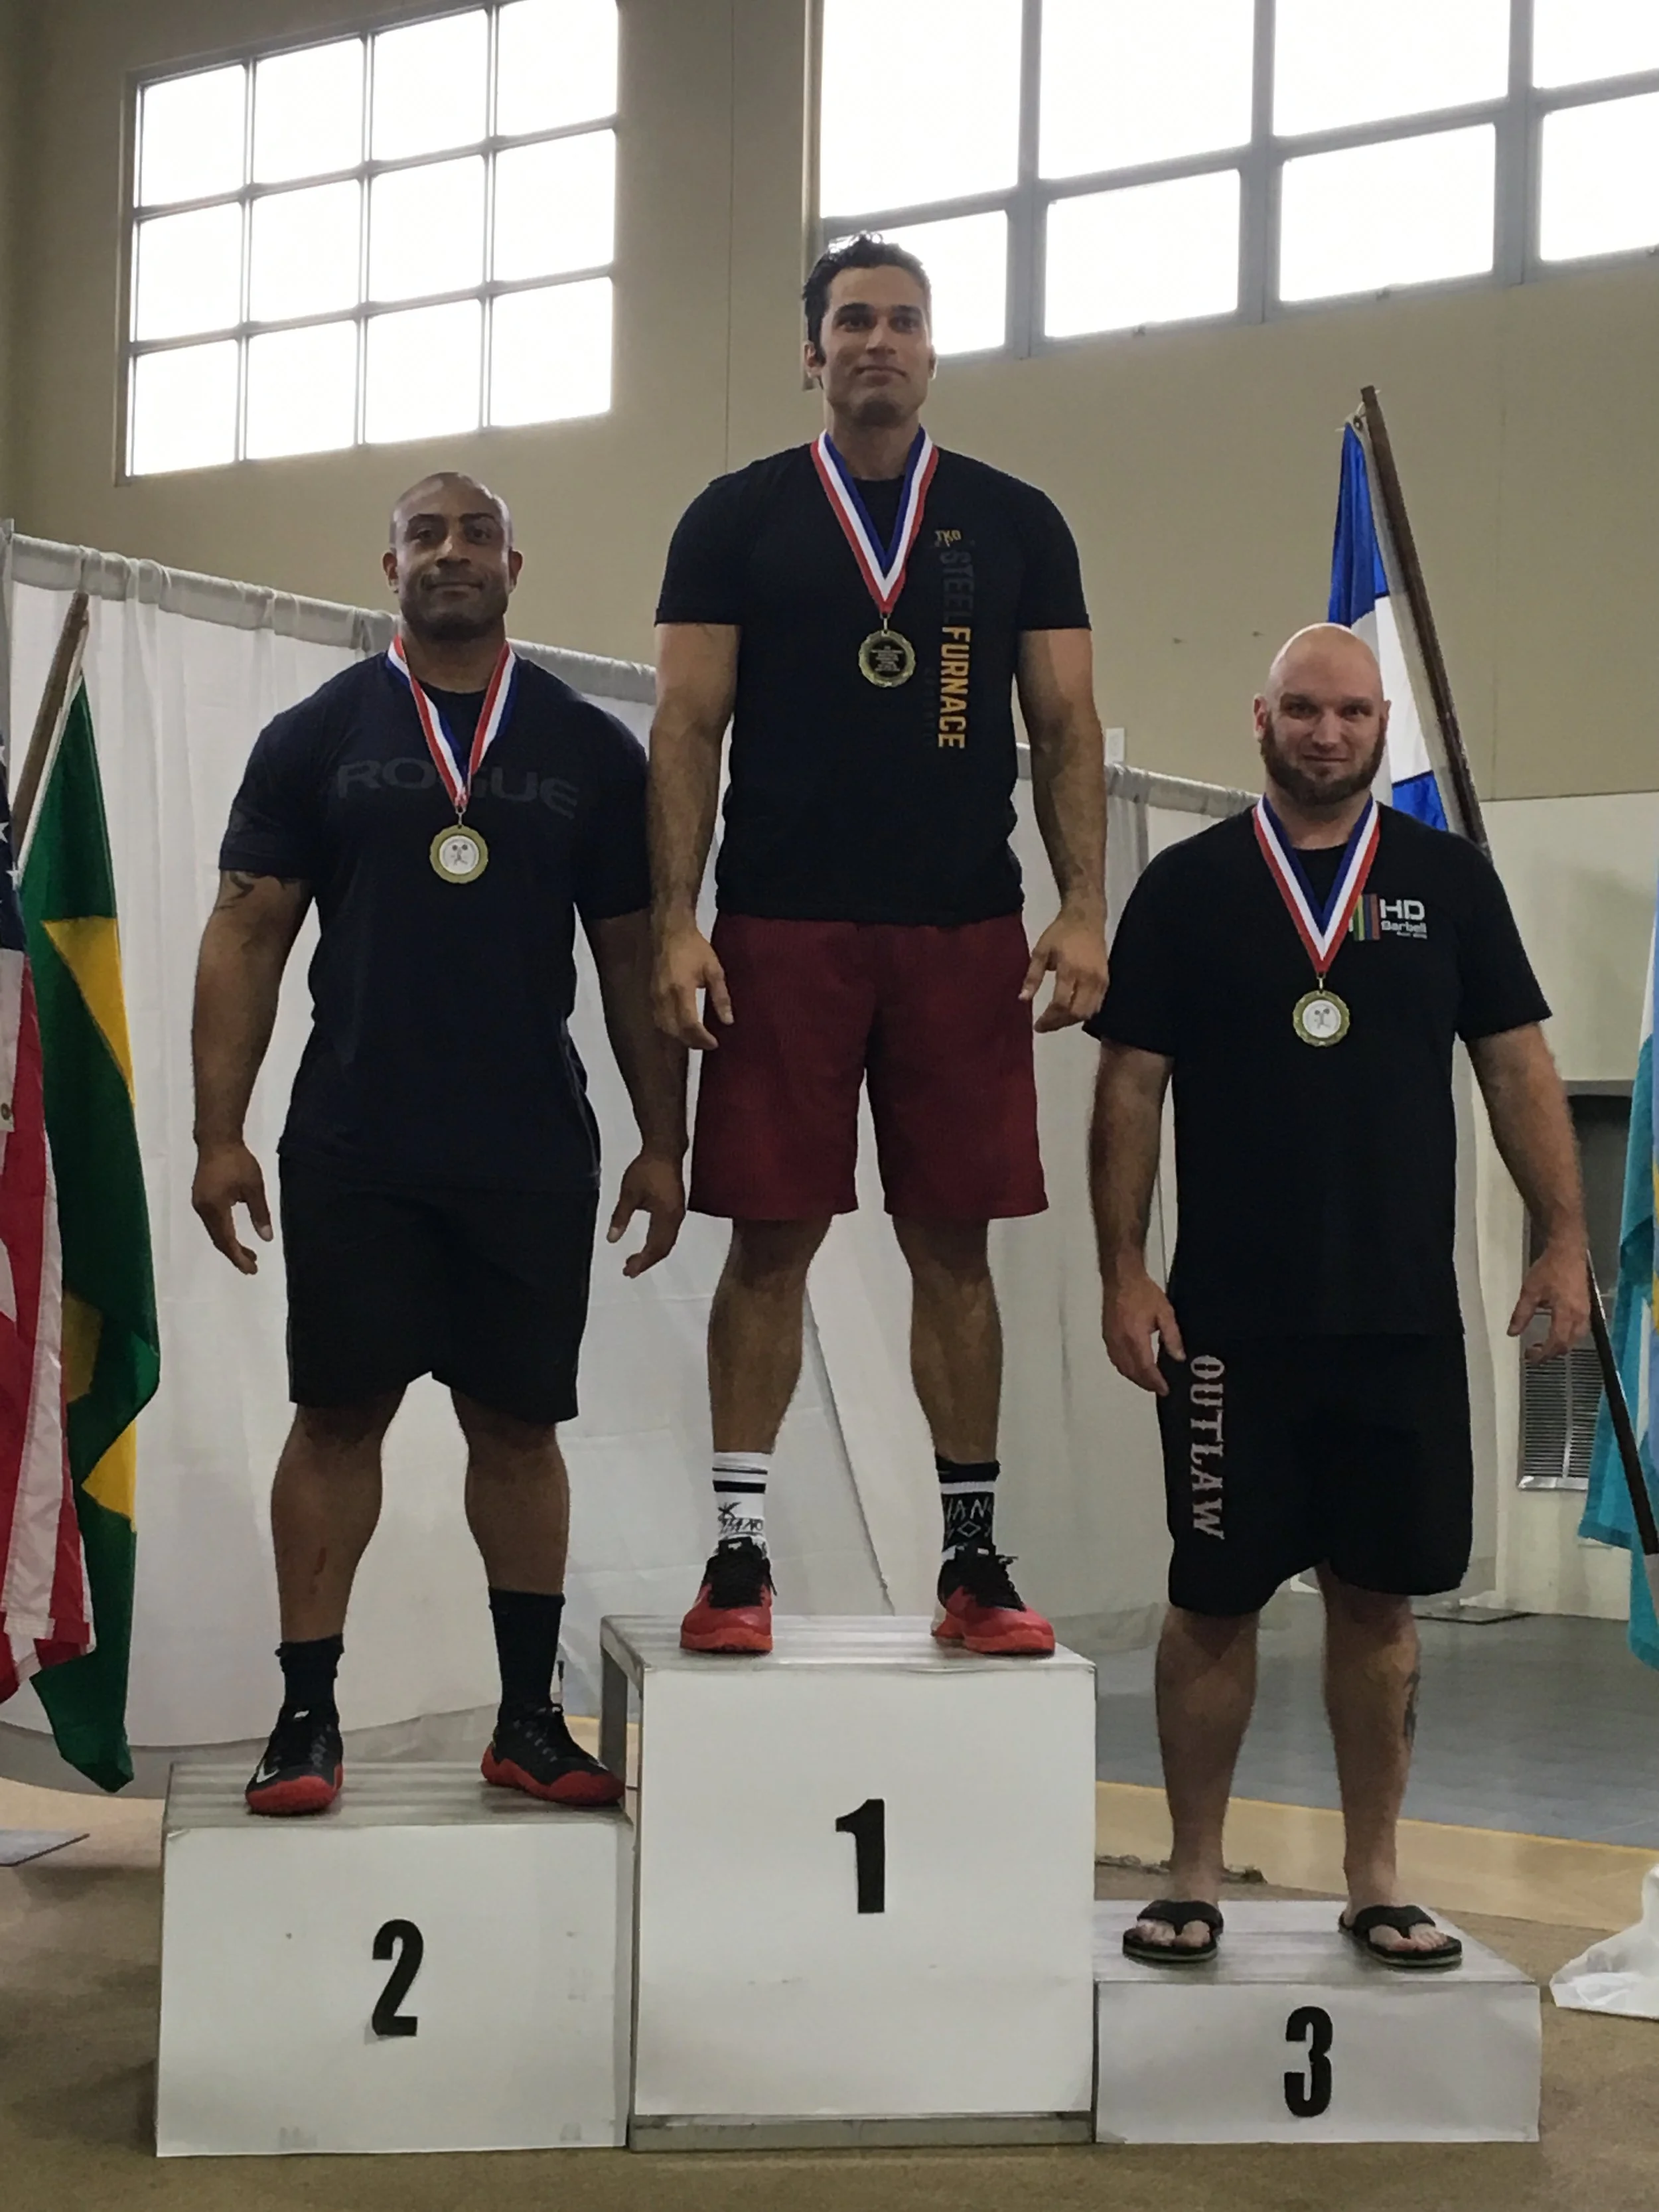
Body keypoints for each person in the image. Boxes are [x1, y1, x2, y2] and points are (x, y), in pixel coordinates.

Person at [1088, 623, 1588, 1966]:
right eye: (1301, 710)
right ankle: (1190, 1870)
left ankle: (1373, 1877)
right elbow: (1128, 1086)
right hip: (1223, 1326)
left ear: (1382, 730)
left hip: (1396, 1322)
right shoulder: (1188, 889)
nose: (1325, 732)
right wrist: (1121, 1268)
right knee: (1211, 1597)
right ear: (1258, 720)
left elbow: (1514, 1070)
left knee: (1377, 1601)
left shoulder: (1445, 882)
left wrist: (1561, 1239)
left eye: (1350, 713)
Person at [192, 471, 686, 1815]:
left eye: (476, 535)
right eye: (428, 535)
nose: (451, 554)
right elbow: (244, 932)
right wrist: (216, 1135)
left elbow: (634, 950)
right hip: (355, 1139)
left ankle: (528, 1717)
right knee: (336, 1415)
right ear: (389, 564)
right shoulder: (318, 735)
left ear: (515, 565)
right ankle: (305, 1717)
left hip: (527, 1144)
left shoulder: (588, 747)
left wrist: (664, 1141)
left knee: (517, 1425)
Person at [649, 235, 1108, 1658]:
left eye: (901, 321)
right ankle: (737, 1555)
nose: (877, 343)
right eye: (851, 320)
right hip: (780, 926)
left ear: (930, 348)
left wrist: (1083, 902)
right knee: (768, 1237)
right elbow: (683, 727)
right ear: (811, 349)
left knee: (950, 1246)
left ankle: (971, 1558)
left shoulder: (1012, 519)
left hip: (961, 928)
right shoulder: (733, 516)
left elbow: (1067, 725)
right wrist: (673, 916)